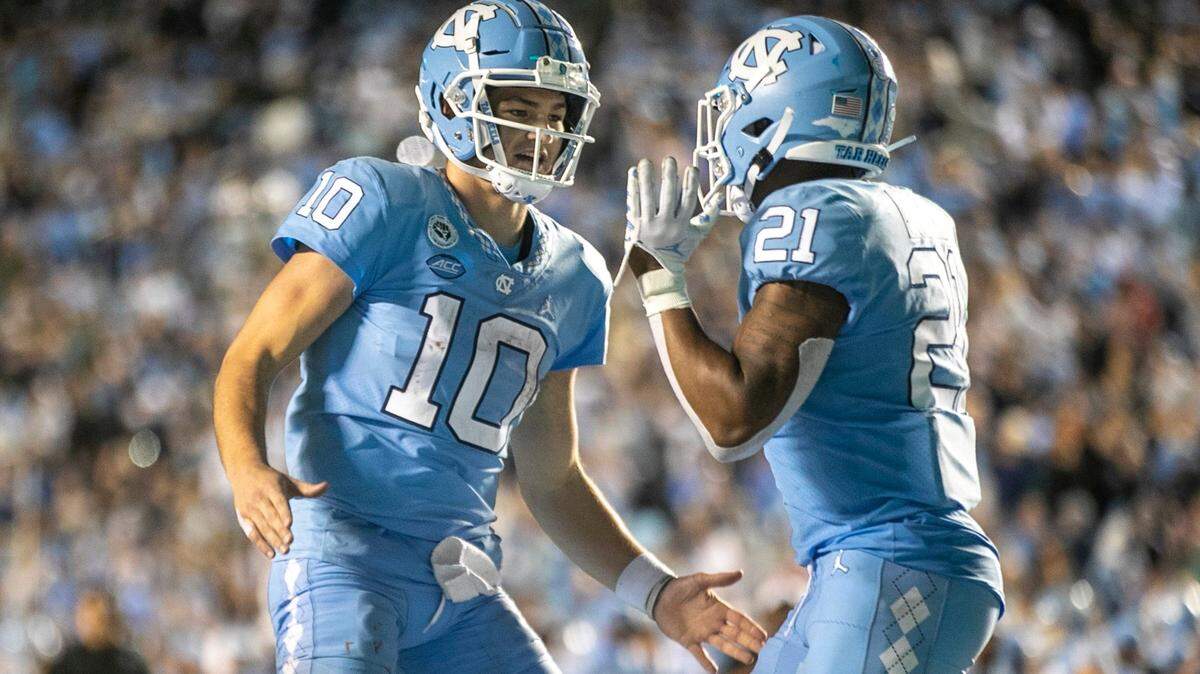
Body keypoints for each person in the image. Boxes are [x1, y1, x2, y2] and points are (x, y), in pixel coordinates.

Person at [212, 1, 765, 672]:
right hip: (345, 560)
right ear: (453, 102)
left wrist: (656, 593)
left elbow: (553, 476)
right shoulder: (385, 202)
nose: (540, 132)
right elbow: (253, 355)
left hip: (461, 584)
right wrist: (246, 469)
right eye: (519, 108)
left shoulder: (575, 273)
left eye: (554, 114)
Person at [620, 16, 1004, 674]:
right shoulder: (910, 213)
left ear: (776, 117)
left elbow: (733, 419)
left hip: (893, 562)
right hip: (884, 559)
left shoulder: (811, 214)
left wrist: (659, 277)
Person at [48, 589, 149, 674]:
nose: (88, 626)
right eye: (84, 619)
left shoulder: (128, 664)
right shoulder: (67, 663)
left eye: (95, 619)